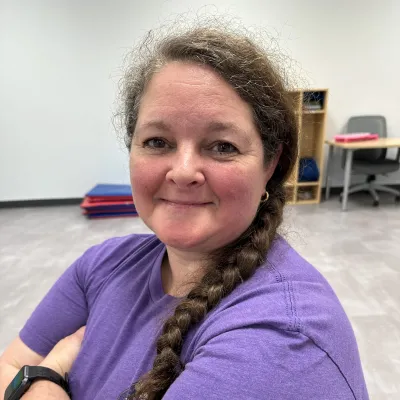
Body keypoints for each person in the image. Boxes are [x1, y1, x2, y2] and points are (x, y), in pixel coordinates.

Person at [0, 24, 369, 400]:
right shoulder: (100, 267)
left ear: (270, 165)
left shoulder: (283, 340)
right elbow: (6, 368)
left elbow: (16, 376)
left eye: (222, 146)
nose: (182, 171)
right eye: (157, 141)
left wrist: (46, 381)